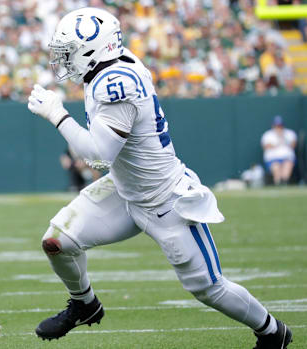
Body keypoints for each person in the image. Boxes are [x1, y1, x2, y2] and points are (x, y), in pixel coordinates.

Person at [27, 8, 292, 348]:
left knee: (208, 287)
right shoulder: (110, 67)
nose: (65, 61)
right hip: (125, 192)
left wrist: (57, 114)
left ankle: (273, 332)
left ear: (95, 49)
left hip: (163, 199)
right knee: (57, 241)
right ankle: (85, 303)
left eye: (70, 52)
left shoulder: (115, 83)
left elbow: (98, 155)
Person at [261, 115, 297, 185]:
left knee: (287, 166)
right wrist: (278, 143)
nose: (279, 128)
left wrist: (282, 138)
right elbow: (266, 146)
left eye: (280, 126)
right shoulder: (268, 135)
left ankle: (284, 182)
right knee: (276, 168)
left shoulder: (289, 133)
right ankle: (278, 183)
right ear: (273, 126)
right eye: (277, 126)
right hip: (272, 158)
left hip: (287, 157)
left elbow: (293, 145)